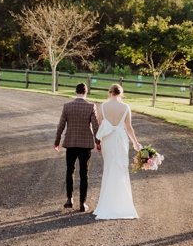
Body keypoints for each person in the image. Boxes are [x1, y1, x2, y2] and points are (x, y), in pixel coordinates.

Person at [93, 83, 142, 220]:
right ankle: (123, 205)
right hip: (120, 140)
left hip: (108, 140)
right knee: (121, 169)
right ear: (120, 93)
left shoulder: (102, 106)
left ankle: (106, 205)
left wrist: (98, 142)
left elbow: (100, 127)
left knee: (109, 169)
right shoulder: (126, 107)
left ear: (110, 92)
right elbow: (129, 128)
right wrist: (135, 142)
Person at [53, 82, 99, 212]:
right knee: (84, 174)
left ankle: (69, 199)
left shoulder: (67, 106)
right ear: (86, 92)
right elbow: (95, 126)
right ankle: (82, 203)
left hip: (71, 143)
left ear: (76, 91)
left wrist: (57, 141)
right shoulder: (91, 106)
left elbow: (60, 125)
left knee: (70, 171)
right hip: (85, 145)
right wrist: (98, 141)